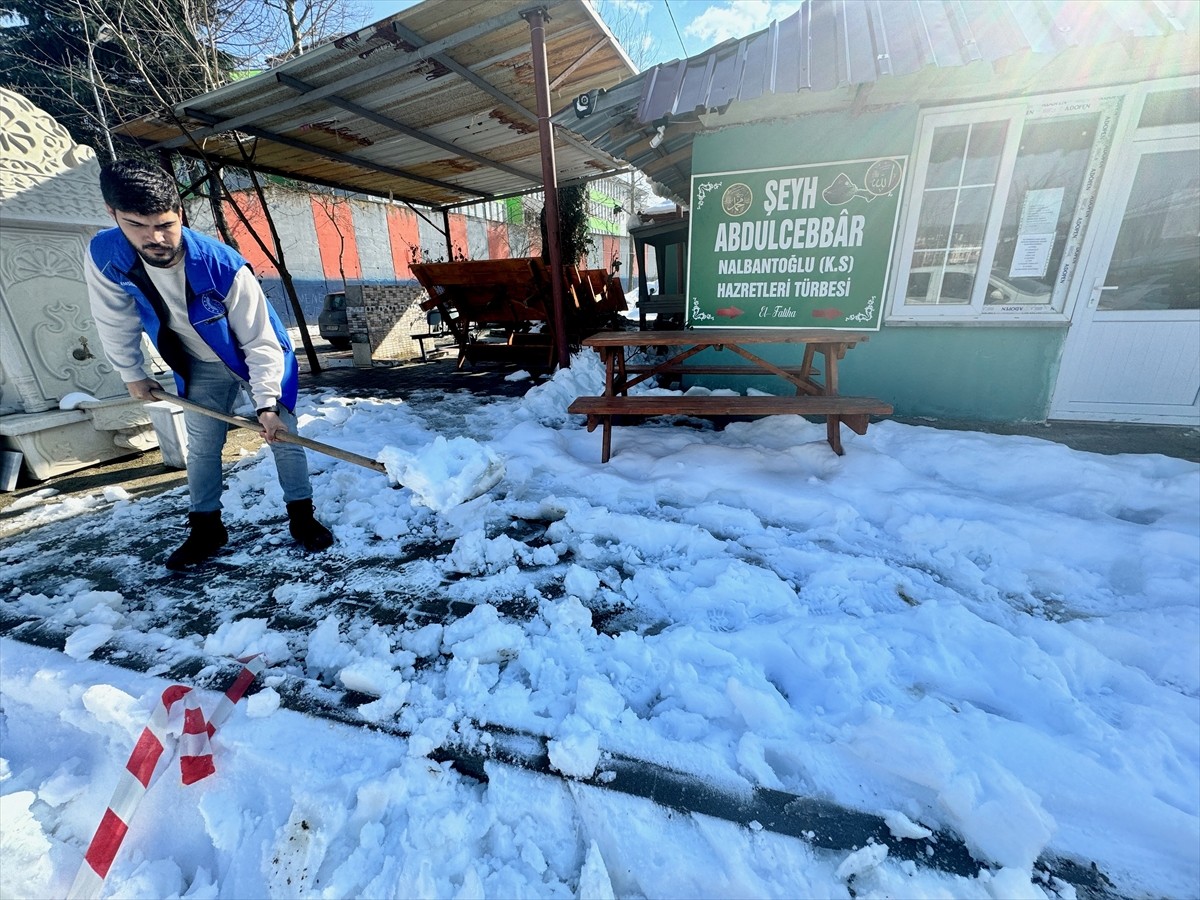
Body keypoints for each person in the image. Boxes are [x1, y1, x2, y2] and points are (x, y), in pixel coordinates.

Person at [85, 159, 333, 569]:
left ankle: (302, 519)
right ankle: (206, 528)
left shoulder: (221, 265)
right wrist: (132, 372)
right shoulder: (106, 254)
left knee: (283, 438)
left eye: (165, 223)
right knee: (201, 446)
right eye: (137, 225)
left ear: (179, 211)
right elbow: (113, 317)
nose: (156, 238)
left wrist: (267, 404)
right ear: (113, 214)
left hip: (257, 355)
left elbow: (260, 340)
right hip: (198, 363)